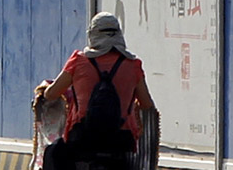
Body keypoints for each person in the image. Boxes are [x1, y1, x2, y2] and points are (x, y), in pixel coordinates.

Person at [37, 12, 154, 170]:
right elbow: (147, 104)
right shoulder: (133, 64)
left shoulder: (78, 61)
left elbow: (51, 94)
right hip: (120, 140)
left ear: (92, 34)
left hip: (82, 138)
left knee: (53, 152)